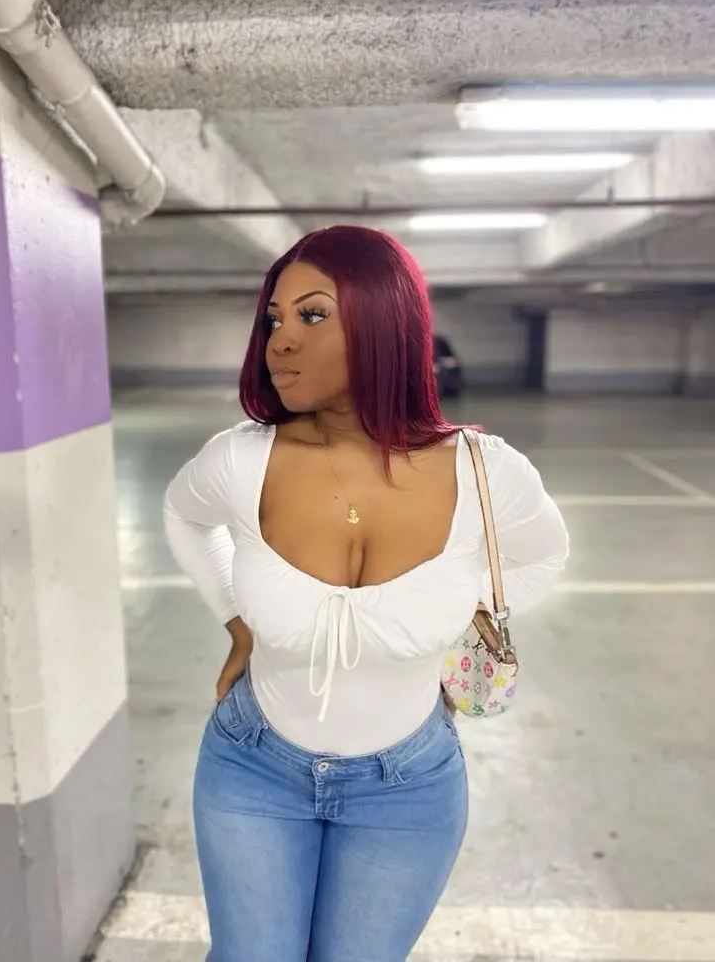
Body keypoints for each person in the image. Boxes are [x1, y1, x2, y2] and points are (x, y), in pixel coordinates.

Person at [163, 225, 569, 962]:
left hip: (407, 787)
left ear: (385, 321)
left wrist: (453, 613)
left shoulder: (485, 471)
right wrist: (236, 621)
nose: (281, 340)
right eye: (274, 319)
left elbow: (545, 555)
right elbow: (182, 514)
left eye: (313, 314)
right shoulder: (240, 461)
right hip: (253, 767)